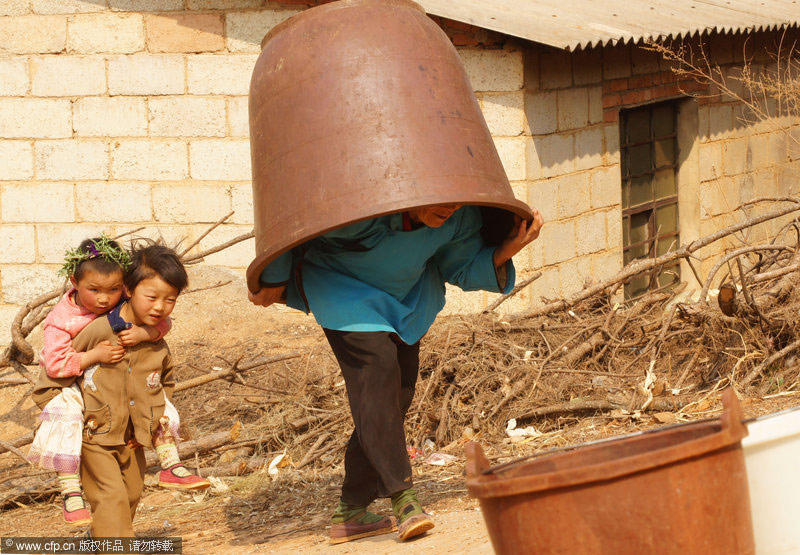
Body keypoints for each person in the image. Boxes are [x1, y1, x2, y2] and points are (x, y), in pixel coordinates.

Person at [249, 203, 543, 543]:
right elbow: (297, 220)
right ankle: (405, 499)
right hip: (343, 289)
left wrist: (511, 248)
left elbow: (460, 266)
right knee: (377, 376)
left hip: (407, 299)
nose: (449, 208)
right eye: (441, 201)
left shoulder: (459, 216)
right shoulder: (361, 207)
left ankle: (351, 510)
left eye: (455, 202)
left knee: (395, 397)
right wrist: (274, 277)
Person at [29, 239, 208, 529]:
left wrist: (146, 425)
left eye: (170, 300)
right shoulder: (84, 328)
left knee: (131, 494)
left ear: (121, 287)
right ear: (130, 289)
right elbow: (51, 375)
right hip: (95, 435)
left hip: (130, 436)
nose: (160, 307)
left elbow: (164, 382)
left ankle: (97, 543)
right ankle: (72, 493)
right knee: (111, 499)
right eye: (152, 297)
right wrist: (75, 416)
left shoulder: (151, 334)